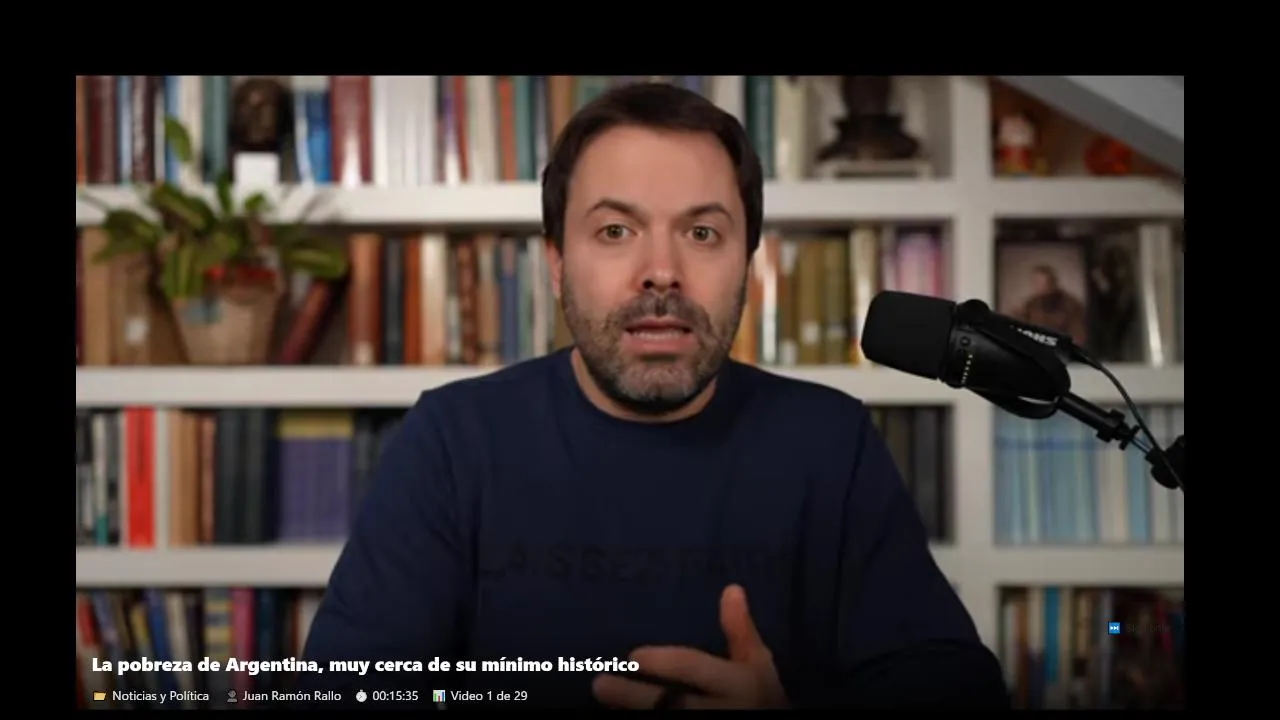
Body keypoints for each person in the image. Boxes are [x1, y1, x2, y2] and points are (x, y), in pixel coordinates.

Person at [298, 81, 1010, 709]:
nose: (661, 271)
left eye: (702, 232)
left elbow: (956, 687)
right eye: (615, 231)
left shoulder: (832, 442)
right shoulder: (453, 439)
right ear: (556, 264)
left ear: (747, 264)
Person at [1014, 264, 1087, 346]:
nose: (1038, 287)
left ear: (1053, 283)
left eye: (1042, 283)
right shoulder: (1031, 304)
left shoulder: (1071, 305)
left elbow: (1077, 337)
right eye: (1036, 282)